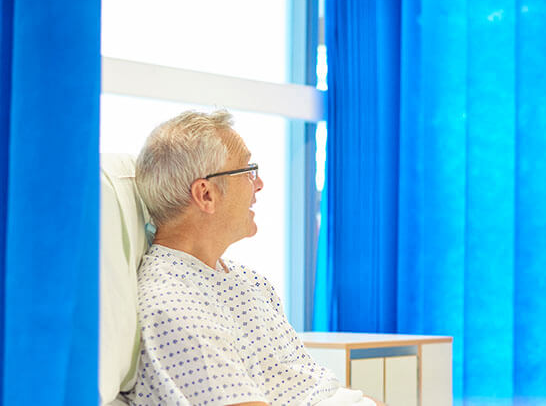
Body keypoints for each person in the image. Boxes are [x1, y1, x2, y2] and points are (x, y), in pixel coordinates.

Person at [127, 110, 376, 406]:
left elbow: (315, 387)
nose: (258, 184)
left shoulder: (250, 283)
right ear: (205, 194)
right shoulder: (171, 304)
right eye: (247, 171)